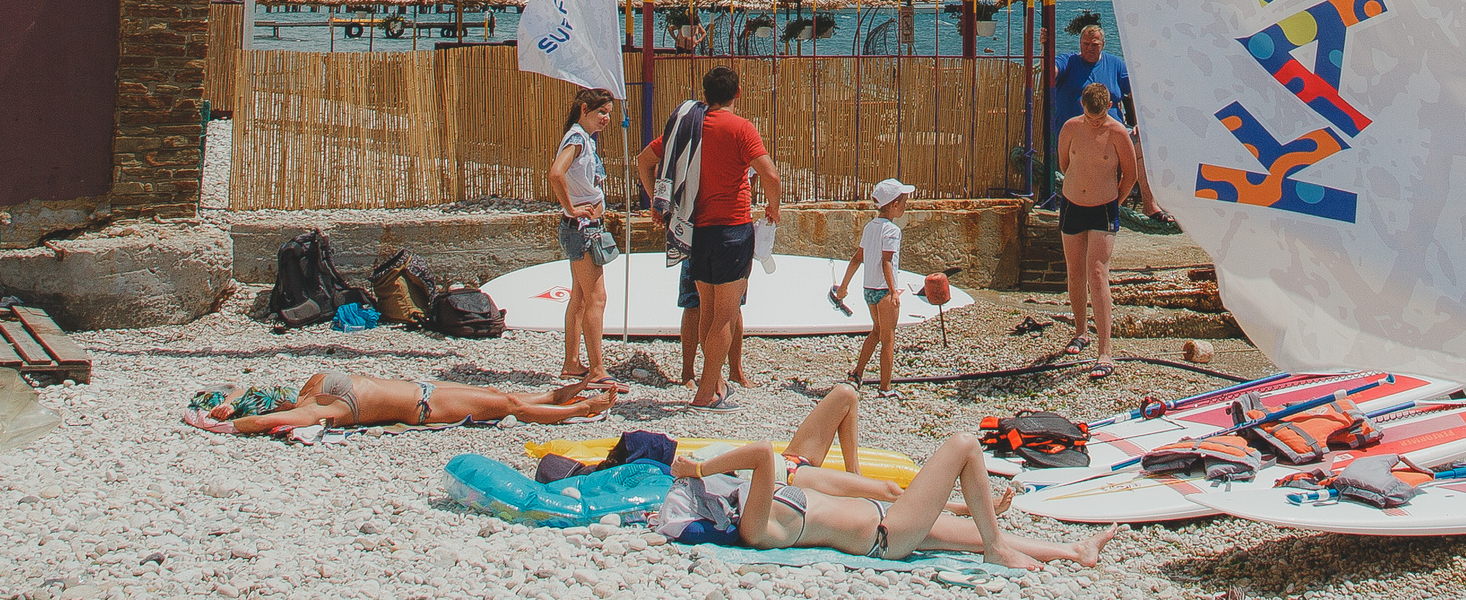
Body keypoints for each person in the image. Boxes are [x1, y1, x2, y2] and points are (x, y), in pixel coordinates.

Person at [660, 430, 1118, 571]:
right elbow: (761, 453)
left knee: (976, 535)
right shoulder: (754, 528)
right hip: (887, 536)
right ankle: (999, 548)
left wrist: (955, 506)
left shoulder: (756, 504)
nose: (720, 496)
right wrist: (696, 470)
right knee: (963, 446)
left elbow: (764, 466)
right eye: (711, 499)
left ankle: (1076, 552)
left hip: (890, 518)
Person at [684, 65, 783, 409]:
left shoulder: (691, 126)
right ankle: (705, 394)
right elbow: (769, 174)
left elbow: (645, 159)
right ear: (737, 93)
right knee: (725, 316)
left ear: (706, 93)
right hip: (732, 228)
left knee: (707, 312)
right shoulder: (741, 127)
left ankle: (714, 383)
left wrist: (658, 201)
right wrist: (774, 208)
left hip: (698, 230)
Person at [635, 128, 745, 391]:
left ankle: (730, 372)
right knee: (703, 304)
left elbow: (643, 160)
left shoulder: (693, 131)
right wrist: (658, 203)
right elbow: (644, 160)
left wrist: (658, 203)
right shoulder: (698, 132)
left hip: (706, 228)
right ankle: (694, 373)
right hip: (708, 228)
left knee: (722, 306)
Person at [183, 373, 617, 436]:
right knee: (507, 405)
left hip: (424, 390)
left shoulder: (311, 395)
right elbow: (264, 418)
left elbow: (245, 391)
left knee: (506, 400)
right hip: (424, 407)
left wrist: (229, 409)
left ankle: (559, 397)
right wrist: (226, 425)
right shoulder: (319, 409)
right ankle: (579, 409)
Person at [1053, 81, 1139, 379]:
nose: (1095, 123)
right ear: (1082, 107)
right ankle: (1080, 331)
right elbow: (1064, 163)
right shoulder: (1070, 128)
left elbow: (1131, 174)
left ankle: (1105, 350)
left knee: (1098, 272)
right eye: (1091, 118)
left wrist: (1114, 199)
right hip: (1073, 203)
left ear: (1109, 108)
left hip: (1103, 207)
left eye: (1100, 118)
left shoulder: (1117, 133)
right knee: (1075, 270)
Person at [1049, 16, 1163, 219]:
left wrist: (1139, 123)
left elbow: (1136, 93)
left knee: (1142, 142)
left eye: (1094, 44)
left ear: (1103, 44)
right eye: (1085, 44)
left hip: (1113, 129)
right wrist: (1045, 49)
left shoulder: (1115, 64)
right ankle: (1077, 202)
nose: (1089, 48)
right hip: (1078, 130)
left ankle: (1149, 204)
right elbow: (1051, 72)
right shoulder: (1069, 61)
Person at [547, 87, 618, 386]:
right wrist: (572, 209)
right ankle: (598, 368)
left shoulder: (583, 139)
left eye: (609, 114)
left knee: (578, 297)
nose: (606, 119)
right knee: (596, 298)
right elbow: (555, 173)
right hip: (583, 229)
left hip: (583, 227)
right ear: (584, 109)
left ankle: (572, 363)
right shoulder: (577, 139)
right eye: (601, 112)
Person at [832, 179, 912, 394]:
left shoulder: (870, 227)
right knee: (888, 338)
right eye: (904, 201)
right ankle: (885, 387)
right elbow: (887, 262)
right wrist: (894, 291)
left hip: (868, 290)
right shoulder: (893, 231)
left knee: (876, 332)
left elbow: (858, 257)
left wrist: (844, 286)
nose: (906, 205)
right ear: (894, 205)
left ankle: (857, 372)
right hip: (884, 291)